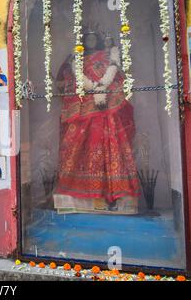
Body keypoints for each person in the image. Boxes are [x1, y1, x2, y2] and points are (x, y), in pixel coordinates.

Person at [53, 32, 141, 215]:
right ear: (83, 40)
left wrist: (102, 88)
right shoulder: (76, 59)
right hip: (85, 109)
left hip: (108, 109)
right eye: (88, 36)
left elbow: (116, 76)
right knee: (78, 146)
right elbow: (65, 80)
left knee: (113, 144)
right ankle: (80, 195)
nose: (91, 39)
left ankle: (116, 192)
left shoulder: (108, 56)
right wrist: (92, 88)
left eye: (94, 36)